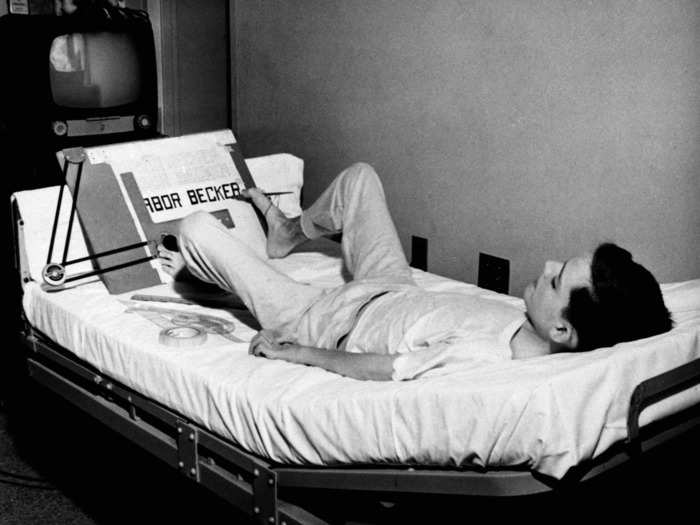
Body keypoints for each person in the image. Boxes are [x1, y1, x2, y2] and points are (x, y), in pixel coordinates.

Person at [158, 163, 673, 381]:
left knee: (198, 228)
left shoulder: (486, 358)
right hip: (393, 285)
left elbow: (383, 369)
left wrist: (299, 351)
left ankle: (225, 276)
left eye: (557, 280)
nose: (545, 266)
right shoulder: (537, 326)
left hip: (326, 317)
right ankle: (287, 234)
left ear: (563, 329)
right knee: (360, 178)